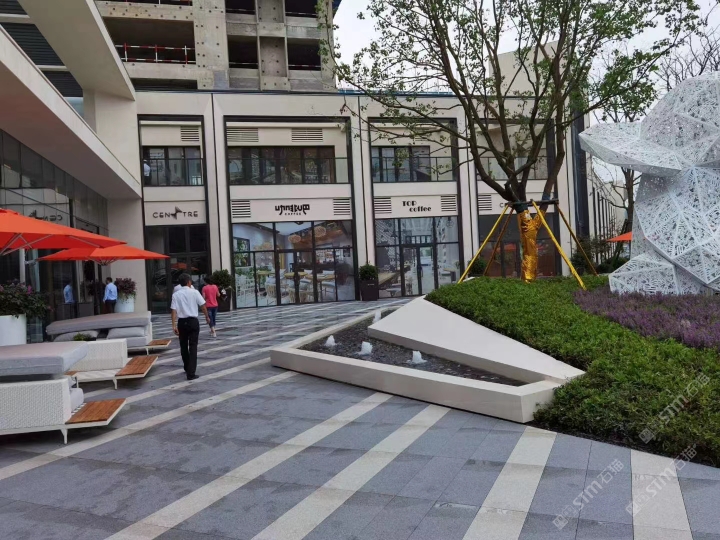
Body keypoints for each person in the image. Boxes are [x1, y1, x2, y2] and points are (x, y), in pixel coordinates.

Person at [171, 273, 211, 380]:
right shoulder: (195, 292)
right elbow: (203, 306)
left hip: (182, 322)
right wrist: (207, 317)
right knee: (193, 346)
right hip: (193, 322)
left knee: (183, 346)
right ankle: (191, 372)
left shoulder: (176, 295)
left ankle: (186, 367)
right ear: (189, 282)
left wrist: (173, 325)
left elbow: (173, 310)